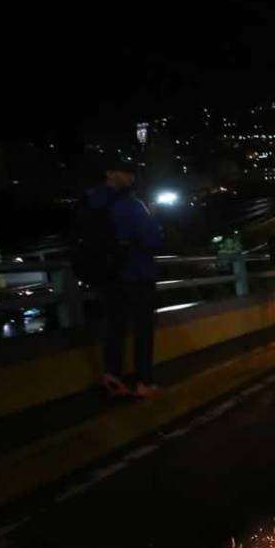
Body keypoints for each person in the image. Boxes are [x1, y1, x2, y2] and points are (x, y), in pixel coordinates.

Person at [84, 160, 164, 398]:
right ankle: (144, 382)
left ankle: (113, 376)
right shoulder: (131, 205)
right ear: (109, 173)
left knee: (115, 327)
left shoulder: (91, 201)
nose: (131, 177)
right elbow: (153, 241)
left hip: (107, 276)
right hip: (136, 275)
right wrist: (153, 220)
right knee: (143, 329)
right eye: (126, 172)